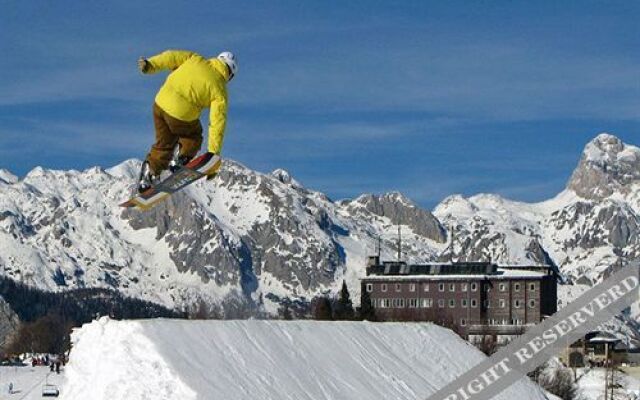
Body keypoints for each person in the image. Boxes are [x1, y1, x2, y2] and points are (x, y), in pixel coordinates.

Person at [136, 49, 238, 192]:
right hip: (180, 114)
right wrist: (212, 157)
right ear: (230, 74)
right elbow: (217, 124)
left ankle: (148, 176)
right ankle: (179, 160)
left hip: (159, 104)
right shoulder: (220, 90)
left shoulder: (195, 58)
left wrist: (150, 65)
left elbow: (170, 57)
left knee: (163, 144)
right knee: (193, 137)